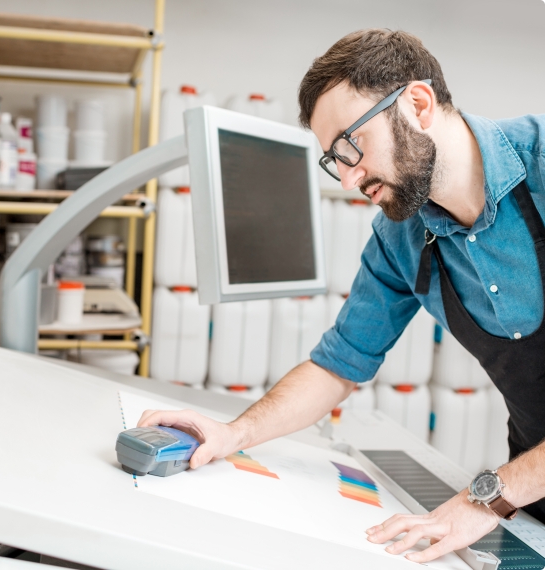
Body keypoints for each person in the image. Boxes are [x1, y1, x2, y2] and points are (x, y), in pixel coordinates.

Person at [138, 29, 545, 563]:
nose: (350, 177)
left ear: (417, 104)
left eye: (351, 146)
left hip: (515, 487)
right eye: (335, 160)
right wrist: (232, 433)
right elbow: (339, 366)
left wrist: (486, 497)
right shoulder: (401, 237)